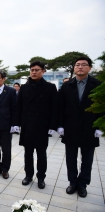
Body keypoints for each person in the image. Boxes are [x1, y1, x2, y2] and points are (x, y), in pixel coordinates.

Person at [58, 57, 104, 198]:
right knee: (70, 158)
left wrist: (100, 126)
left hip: (89, 128)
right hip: (70, 127)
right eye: (77, 65)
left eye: (84, 65)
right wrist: (60, 125)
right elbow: (60, 107)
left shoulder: (98, 84)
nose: (80, 67)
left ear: (90, 68)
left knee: (87, 159)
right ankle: (73, 182)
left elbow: (103, 106)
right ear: (74, 68)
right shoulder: (67, 85)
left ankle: (83, 184)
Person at [16, 61, 58, 189]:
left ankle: (41, 177)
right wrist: (16, 124)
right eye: (32, 70)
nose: (34, 72)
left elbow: (54, 108)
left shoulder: (50, 88)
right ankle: (28, 175)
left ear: (43, 71)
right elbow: (19, 107)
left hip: (42, 126)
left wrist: (52, 126)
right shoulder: (24, 87)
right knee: (27, 153)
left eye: (37, 70)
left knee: (41, 154)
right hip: (27, 125)